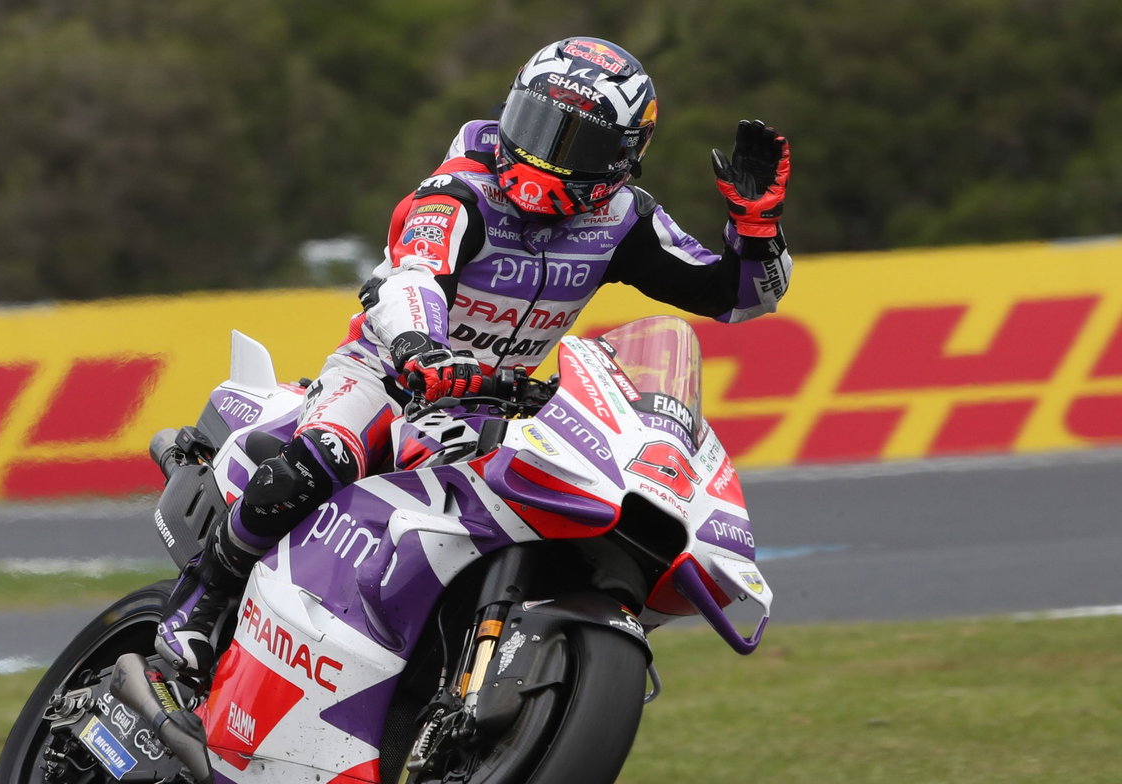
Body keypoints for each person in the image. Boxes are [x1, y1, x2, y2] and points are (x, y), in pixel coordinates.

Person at [156, 36, 793, 686]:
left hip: (503, 396)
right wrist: (419, 349)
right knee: (328, 455)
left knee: (550, 508)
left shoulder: (625, 220)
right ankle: (202, 600)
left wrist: (757, 228)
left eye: (574, 142)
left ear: (621, 157)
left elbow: (735, 298)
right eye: (537, 125)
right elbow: (414, 276)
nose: (545, 152)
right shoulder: (460, 190)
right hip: (390, 371)